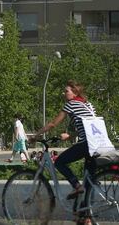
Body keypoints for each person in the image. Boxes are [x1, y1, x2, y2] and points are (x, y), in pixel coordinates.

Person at [30, 80, 98, 221]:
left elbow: (53, 123)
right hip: (96, 144)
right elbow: (89, 127)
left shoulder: (71, 104)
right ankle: (87, 218)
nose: (64, 93)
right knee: (88, 182)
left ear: (74, 93)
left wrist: (35, 136)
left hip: (86, 144)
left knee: (59, 162)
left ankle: (76, 185)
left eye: (66, 91)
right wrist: (71, 135)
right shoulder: (87, 105)